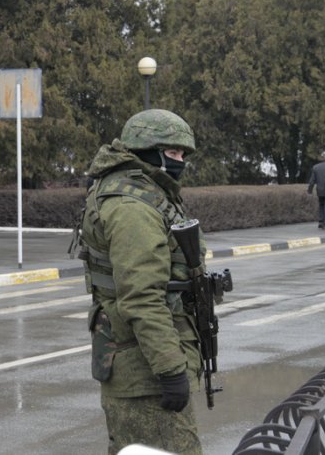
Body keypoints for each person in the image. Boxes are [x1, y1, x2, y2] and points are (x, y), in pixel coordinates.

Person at [77, 109, 205, 455]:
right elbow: (142, 297)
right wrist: (171, 370)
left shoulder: (141, 192)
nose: (180, 162)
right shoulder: (132, 205)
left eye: (183, 155)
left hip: (139, 362)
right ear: (148, 150)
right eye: (174, 153)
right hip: (143, 373)